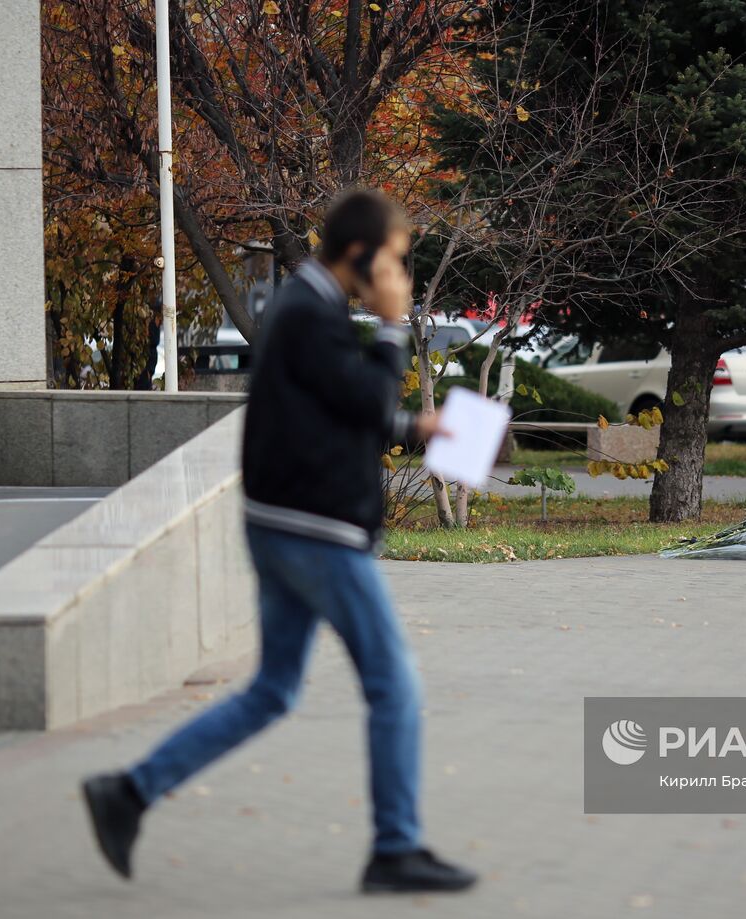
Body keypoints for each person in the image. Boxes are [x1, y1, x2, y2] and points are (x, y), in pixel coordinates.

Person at [80, 189, 477, 894]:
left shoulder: (308, 306)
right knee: (395, 683)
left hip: (289, 525)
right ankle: (395, 846)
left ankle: (129, 791)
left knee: (271, 690)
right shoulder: (307, 311)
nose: (400, 276)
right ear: (359, 254)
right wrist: (391, 330)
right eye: (395, 259)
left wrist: (418, 429)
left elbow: (337, 406)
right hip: (313, 532)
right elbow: (363, 396)